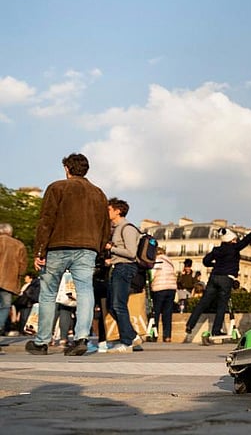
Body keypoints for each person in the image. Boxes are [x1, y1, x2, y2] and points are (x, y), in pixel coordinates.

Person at [29, 153, 109, 357]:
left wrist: (39, 250)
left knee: (48, 293)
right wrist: (98, 250)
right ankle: (81, 338)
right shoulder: (98, 193)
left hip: (57, 245)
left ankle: (42, 341)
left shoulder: (57, 187)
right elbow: (105, 226)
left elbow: (46, 220)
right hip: (87, 248)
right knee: (85, 291)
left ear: (67, 168)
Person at [185, 218, 251, 338]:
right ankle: (216, 330)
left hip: (214, 277)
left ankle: (190, 325)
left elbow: (205, 261)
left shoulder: (217, 250)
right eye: (235, 239)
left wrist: (214, 265)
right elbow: (247, 240)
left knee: (203, 302)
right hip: (226, 278)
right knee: (221, 305)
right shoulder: (234, 248)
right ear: (231, 240)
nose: (236, 241)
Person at [102, 197, 142, 353]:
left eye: (109, 210)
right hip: (118, 266)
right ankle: (132, 337)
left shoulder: (127, 228)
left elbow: (131, 253)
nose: (107, 213)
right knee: (113, 305)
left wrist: (111, 248)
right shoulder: (117, 228)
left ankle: (127, 341)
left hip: (125, 268)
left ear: (118, 211)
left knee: (118, 305)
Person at [0, 223, 28, 335]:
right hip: (8, 281)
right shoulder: (19, 245)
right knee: (5, 306)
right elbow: (23, 266)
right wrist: (18, 275)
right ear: (10, 232)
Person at [150, 246, 177, 342]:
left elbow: (152, 275)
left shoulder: (157, 261)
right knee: (167, 313)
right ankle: (167, 336)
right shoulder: (169, 261)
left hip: (159, 288)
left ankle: (154, 335)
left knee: (155, 313)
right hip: (171, 288)